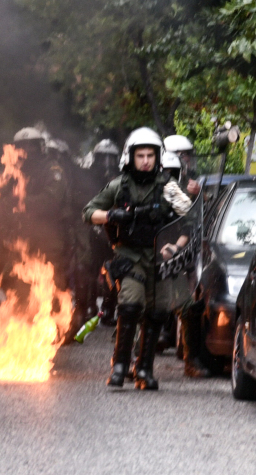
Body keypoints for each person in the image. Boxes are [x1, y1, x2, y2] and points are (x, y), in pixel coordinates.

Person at [82, 127, 190, 390]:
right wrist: (111, 215)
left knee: (156, 313)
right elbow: (89, 212)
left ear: (157, 157)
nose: (145, 161)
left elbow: (190, 221)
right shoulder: (119, 186)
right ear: (130, 157)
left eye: (150, 156)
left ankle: (144, 369)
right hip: (129, 256)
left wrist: (175, 246)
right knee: (130, 305)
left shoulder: (169, 187)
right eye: (140, 155)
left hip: (159, 259)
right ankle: (120, 366)